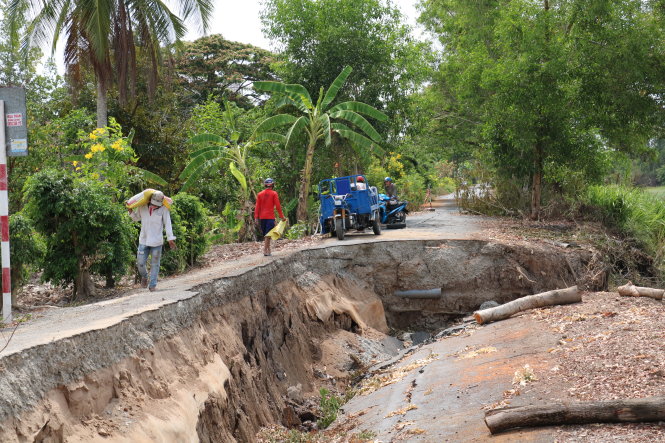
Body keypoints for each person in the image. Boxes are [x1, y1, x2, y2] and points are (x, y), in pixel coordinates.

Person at [128, 190, 176, 292]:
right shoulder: (142, 207)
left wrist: (170, 239)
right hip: (143, 240)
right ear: (150, 200)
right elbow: (136, 218)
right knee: (140, 263)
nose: (156, 206)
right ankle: (144, 276)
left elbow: (168, 224)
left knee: (155, 264)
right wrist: (131, 212)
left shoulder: (164, 209)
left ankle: (153, 285)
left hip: (157, 241)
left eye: (158, 205)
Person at [255, 178, 285, 256]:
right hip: (270, 217)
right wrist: (282, 216)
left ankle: (269, 250)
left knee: (267, 235)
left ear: (265, 185)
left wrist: (256, 217)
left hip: (262, 218)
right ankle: (265, 250)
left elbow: (257, 207)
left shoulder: (259, 194)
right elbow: (278, 206)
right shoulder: (274, 193)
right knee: (268, 235)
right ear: (272, 185)